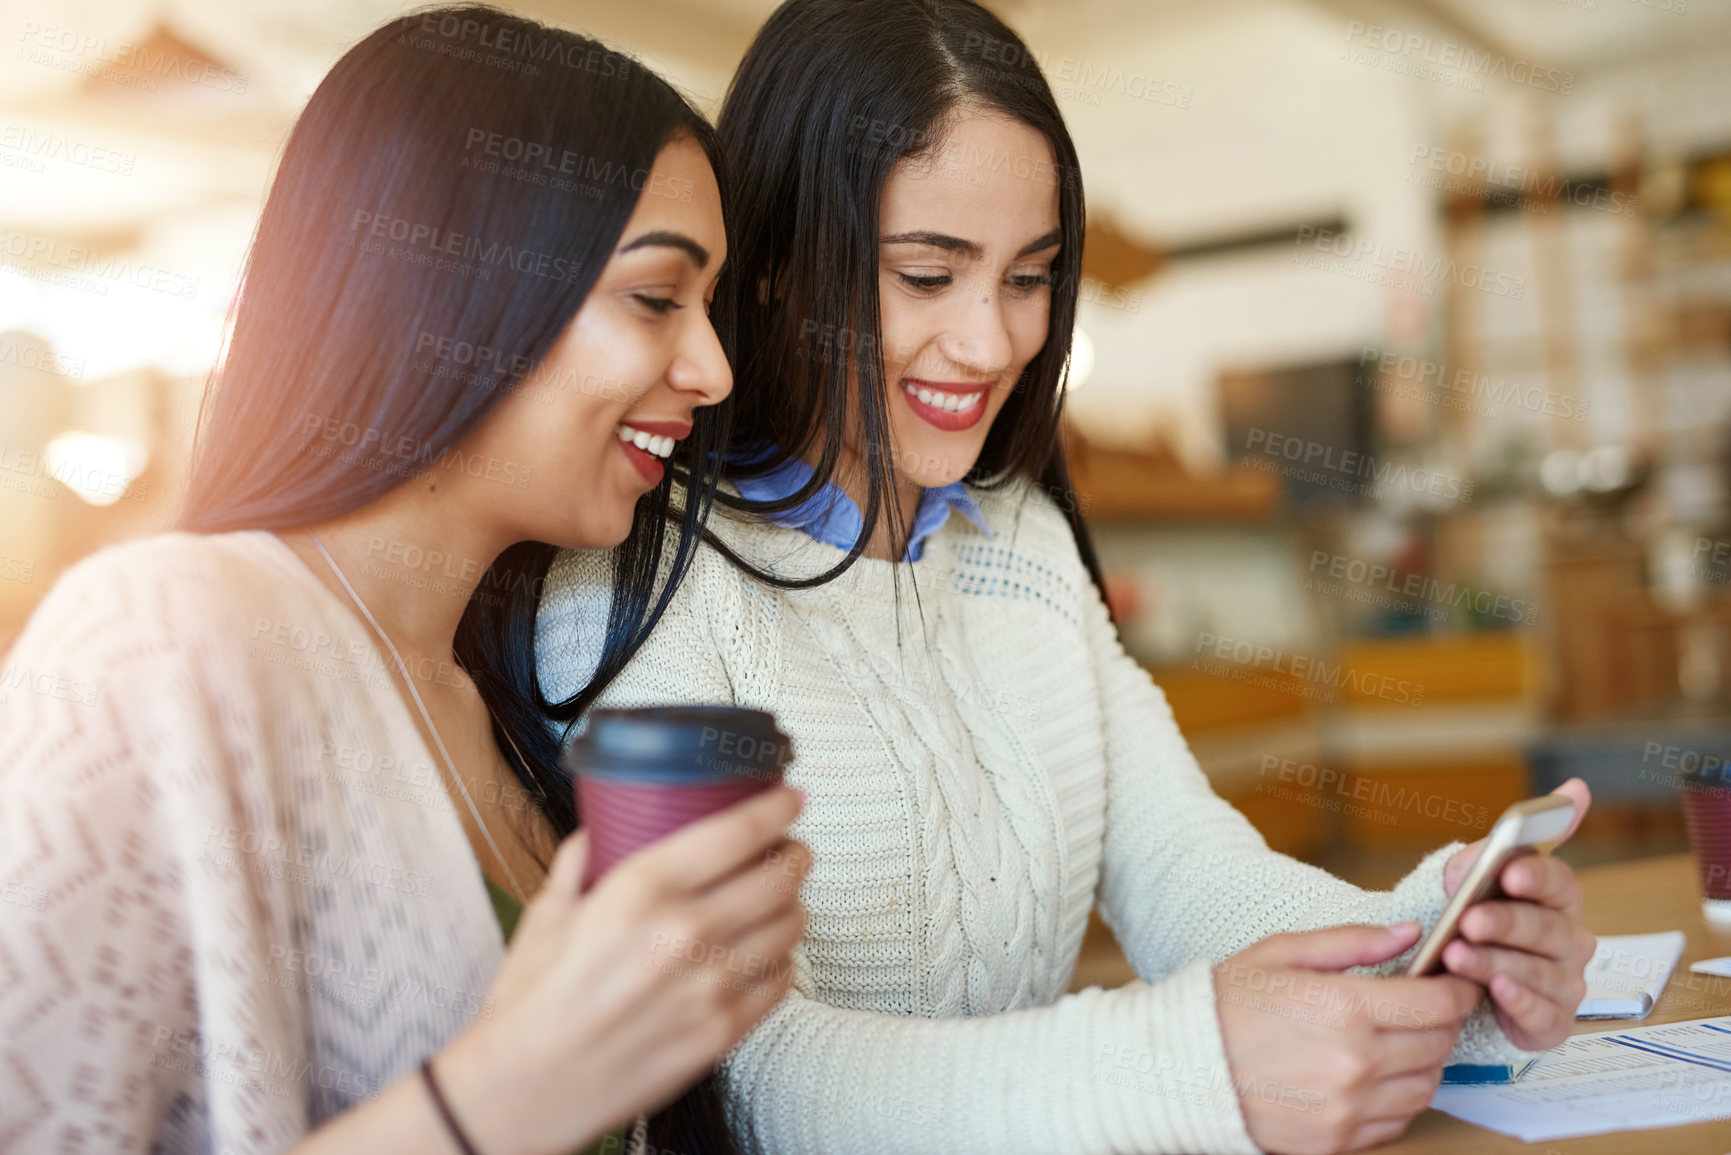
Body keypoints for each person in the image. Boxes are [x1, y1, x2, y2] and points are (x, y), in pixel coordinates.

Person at [519, 1, 1597, 1152]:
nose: (991, 343)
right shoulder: (637, 582)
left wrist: (1431, 941)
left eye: (1028, 278)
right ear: (775, 265)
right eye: (927, 275)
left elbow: (1186, 870)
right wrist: (1186, 1069)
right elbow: (739, 1077)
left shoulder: (1020, 545)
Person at [0, 8, 809, 1155]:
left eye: (711, 306)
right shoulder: (156, 635)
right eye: (654, 298)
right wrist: (505, 1094)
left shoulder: (508, 691)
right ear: (449, 290)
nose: (713, 368)